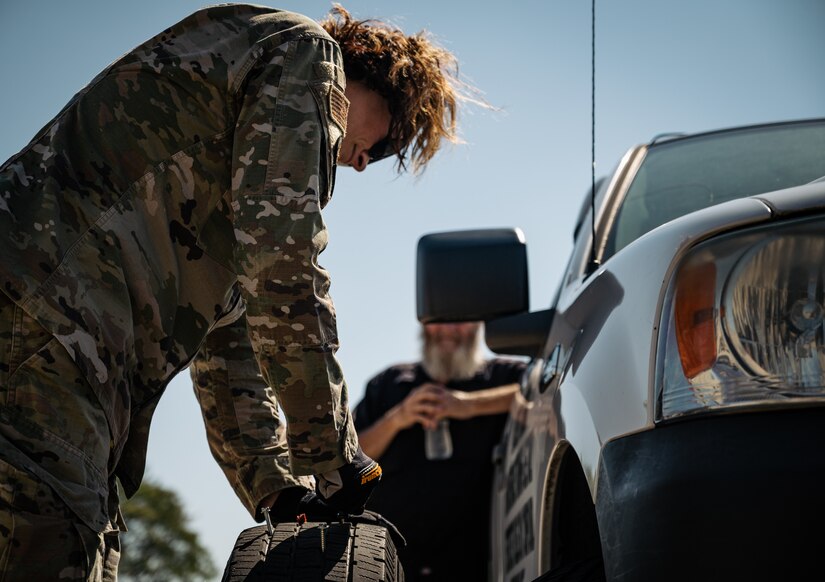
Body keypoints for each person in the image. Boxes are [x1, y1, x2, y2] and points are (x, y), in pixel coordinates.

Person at [0, 4, 470, 579]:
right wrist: (337, 456)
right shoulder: (307, 55)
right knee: (51, 548)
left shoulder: (227, 181)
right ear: (370, 76)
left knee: (75, 548)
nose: (367, 163)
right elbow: (285, 268)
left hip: (55, 344)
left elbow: (232, 359)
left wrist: (279, 490)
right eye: (389, 140)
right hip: (41, 324)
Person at [354, 321, 528, 581]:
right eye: (439, 319)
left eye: (460, 319)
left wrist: (470, 406)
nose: (449, 329)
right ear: (424, 322)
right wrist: (397, 418)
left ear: (478, 323)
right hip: (387, 566)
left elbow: (544, 389)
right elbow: (350, 457)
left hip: (479, 568)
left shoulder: (503, 376)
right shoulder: (388, 384)